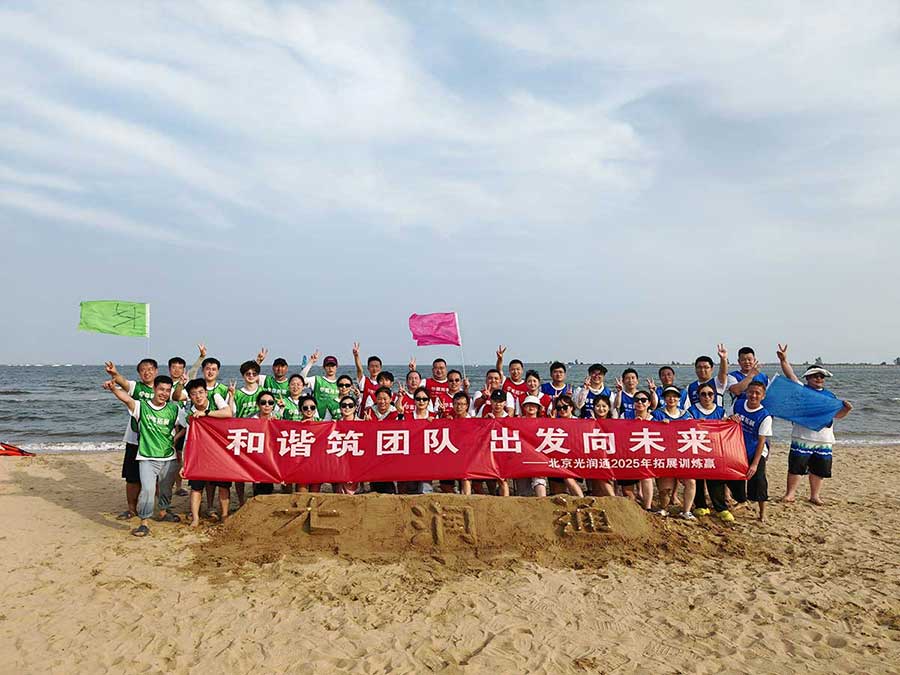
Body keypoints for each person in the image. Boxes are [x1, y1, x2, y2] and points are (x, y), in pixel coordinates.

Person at [103, 375, 180, 537]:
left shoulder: (174, 409)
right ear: (154, 389)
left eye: (168, 390)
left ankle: (163, 512)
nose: (164, 393)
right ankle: (144, 522)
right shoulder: (141, 406)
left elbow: (190, 422)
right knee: (148, 490)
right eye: (161, 389)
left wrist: (177, 438)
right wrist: (114, 389)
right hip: (146, 457)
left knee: (166, 489)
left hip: (169, 458)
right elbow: (126, 399)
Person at [776, 344, 853, 505]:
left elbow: (837, 415)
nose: (819, 379)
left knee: (819, 468)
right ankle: (790, 494)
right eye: (815, 376)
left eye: (821, 376)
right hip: (802, 436)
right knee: (796, 467)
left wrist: (846, 409)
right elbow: (791, 376)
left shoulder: (830, 396)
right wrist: (784, 360)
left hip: (824, 438)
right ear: (808, 378)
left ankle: (815, 495)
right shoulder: (802, 390)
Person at [174, 378, 233, 526]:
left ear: (206, 392)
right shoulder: (190, 413)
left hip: (220, 452)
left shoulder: (215, 398)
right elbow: (189, 440)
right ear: (190, 397)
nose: (198, 396)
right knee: (196, 487)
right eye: (194, 394)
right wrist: (186, 464)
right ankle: (195, 518)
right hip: (200, 454)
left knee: (223, 486)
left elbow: (228, 413)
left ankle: (224, 515)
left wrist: (206, 413)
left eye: (201, 392)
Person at [104, 358, 157, 521]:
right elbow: (124, 383)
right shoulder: (136, 387)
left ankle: (158, 509)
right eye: (143, 369)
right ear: (139, 373)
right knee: (132, 477)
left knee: (157, 478)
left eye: (150, 369)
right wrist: (115, 373)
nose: (147, 372)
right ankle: (131, 509)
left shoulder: (162, 388)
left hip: (156, 442)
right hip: (135, 439)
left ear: (156, 371)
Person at [686, 382, 733, 521]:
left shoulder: (720, 411)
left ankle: (720, 508)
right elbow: (685, 427)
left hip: (715, 450)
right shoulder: (692, 411)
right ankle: (700, 505)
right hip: (697, 449)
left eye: (710, 394)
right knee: (698, 478)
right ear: (698, 396)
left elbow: (726, 428)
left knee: (716, 479)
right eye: (703, 394)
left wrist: (731, 421)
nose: (707, 397)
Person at [652, 386, 696, 520]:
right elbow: (649, 431)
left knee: (691, 482)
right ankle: (664, 509)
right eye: (668, 396)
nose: (671, 399)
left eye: (674, 396)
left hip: (682, 456)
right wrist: (659, 425)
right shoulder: (657, 414)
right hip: (664, 456)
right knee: (665, 490)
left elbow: (695, 430)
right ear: (664, 399)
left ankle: (686, 511)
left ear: (679, 399)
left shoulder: (686, 415)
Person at [730, 380, 772, 521]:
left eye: (757, 393)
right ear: (746, 392)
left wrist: (754, 464)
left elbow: (761, 441)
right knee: (734, 477)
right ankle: (741, 500)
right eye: (751, 392)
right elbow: (726, 420)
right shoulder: (738, 404)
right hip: (738, 448)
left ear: (763, 396)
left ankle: (762, 512)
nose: (753, 395)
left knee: (759, 479)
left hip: (756, 451)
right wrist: (731, 418)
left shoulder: (764, 416)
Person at [620, 390, 656, 511]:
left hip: (647, 455)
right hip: (628, 455)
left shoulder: (654, 418)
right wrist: (633, 424)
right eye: (637, 400)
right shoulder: (625, 415)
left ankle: (648, 507)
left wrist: (665, 423)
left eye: (643, 400)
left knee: (646, 477)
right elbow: (618, 431)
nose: (640, 402)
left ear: (649, 403)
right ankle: (635, 507)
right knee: (627, 490)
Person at [363, 387, 402, 494]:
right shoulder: (369, 411)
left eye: (385, 399)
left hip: (389, 448)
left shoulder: (395, 413)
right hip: (373, 449)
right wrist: (366, 423)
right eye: (379, 399)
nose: (382, 402)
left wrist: (400, 416)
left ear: (390, 399)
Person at [548, 395, 584, 498]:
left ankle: (582, 500)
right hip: (558, 458)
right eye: (559, 408)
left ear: (571, 407)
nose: (562, 410)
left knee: (568, 478)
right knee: (557, 491)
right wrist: (552, 423)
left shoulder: (579, 422)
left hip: (575, 458)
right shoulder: (555, 421)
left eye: (565, 407)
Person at [515, 395, 549, 497]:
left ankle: (543, 502)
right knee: (523, 489)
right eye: (528, 405)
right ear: (524, 407)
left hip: (538, 457)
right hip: (521, 458)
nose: (531, 407)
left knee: (539, 481)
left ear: (538, 408)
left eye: (534, 405)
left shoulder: (544, 423)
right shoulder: (516, 422)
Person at [300, 351, 341, 420]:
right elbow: (300, 380)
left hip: (334, 419)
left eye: (333, 366)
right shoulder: (317, 380)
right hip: (317, 419)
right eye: (328, 366)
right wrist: (311, 362)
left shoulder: (341, 384)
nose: (330, 368)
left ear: (337, 367)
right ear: (323, 367)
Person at [588, 395, 616, 497]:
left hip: (611, 456)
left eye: (604, 406)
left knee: (607, 480)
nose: (601, 409)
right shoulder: (588, 422)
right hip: (595, 456)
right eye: (598, 406)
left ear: (609, 408)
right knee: (596, 485)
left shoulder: (615, 422)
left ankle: (614, 499)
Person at [335, 395, 362, 495]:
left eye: (350, 405)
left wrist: (370, 424)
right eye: (344, 405)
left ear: (355, 408)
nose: (347, 408)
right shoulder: (334, 424)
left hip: (357, 459)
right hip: (341, 460)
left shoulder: (363, 423)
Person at [495, 345, 529, 411]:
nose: (515, 372)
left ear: (522, 370)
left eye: (518, 369)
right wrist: (500, 359)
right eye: (513, 369)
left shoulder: (527, 385)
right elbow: (499, 370)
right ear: (509, 370)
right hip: (506, 412)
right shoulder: (505, 380)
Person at [352, 342, 383, 412]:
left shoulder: (383, 384)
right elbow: (359, 370)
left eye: (377, 366)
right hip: (363, 415)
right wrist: (356, 356)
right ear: (368, 368)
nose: (374, 369)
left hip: (377, 416)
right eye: (372, 366)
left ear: (380, 368)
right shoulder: (364, 380)